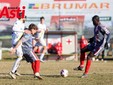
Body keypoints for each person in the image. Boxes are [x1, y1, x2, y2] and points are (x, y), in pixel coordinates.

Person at [9, 13, 26, 79]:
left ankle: (15, 71)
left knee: (21, 56)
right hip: (16, 42)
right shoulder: (17, 22)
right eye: (24, 17)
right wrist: (22, 30)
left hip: (19, 42)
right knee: (20, 57)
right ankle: (12, 72)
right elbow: (14, 29)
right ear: (21, 17)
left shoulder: (22, 23)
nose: (25, 18)